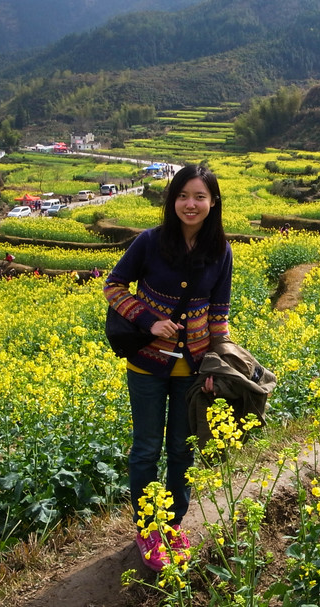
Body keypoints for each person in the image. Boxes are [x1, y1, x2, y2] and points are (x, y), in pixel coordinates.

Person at [103, 165, 232, 572]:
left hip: (192, 370)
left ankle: (172, 526)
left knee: (181, 450)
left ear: (213, 203)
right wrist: (148, 321)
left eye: (199, 197)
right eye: (182, 196)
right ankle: (147, 527)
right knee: (145, 450)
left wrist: (216, 362)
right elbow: (113, 286)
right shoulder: (150, 243)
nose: (190, 204)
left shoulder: (221, 252)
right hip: (146, 365)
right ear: (172, 200)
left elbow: (219, 315)